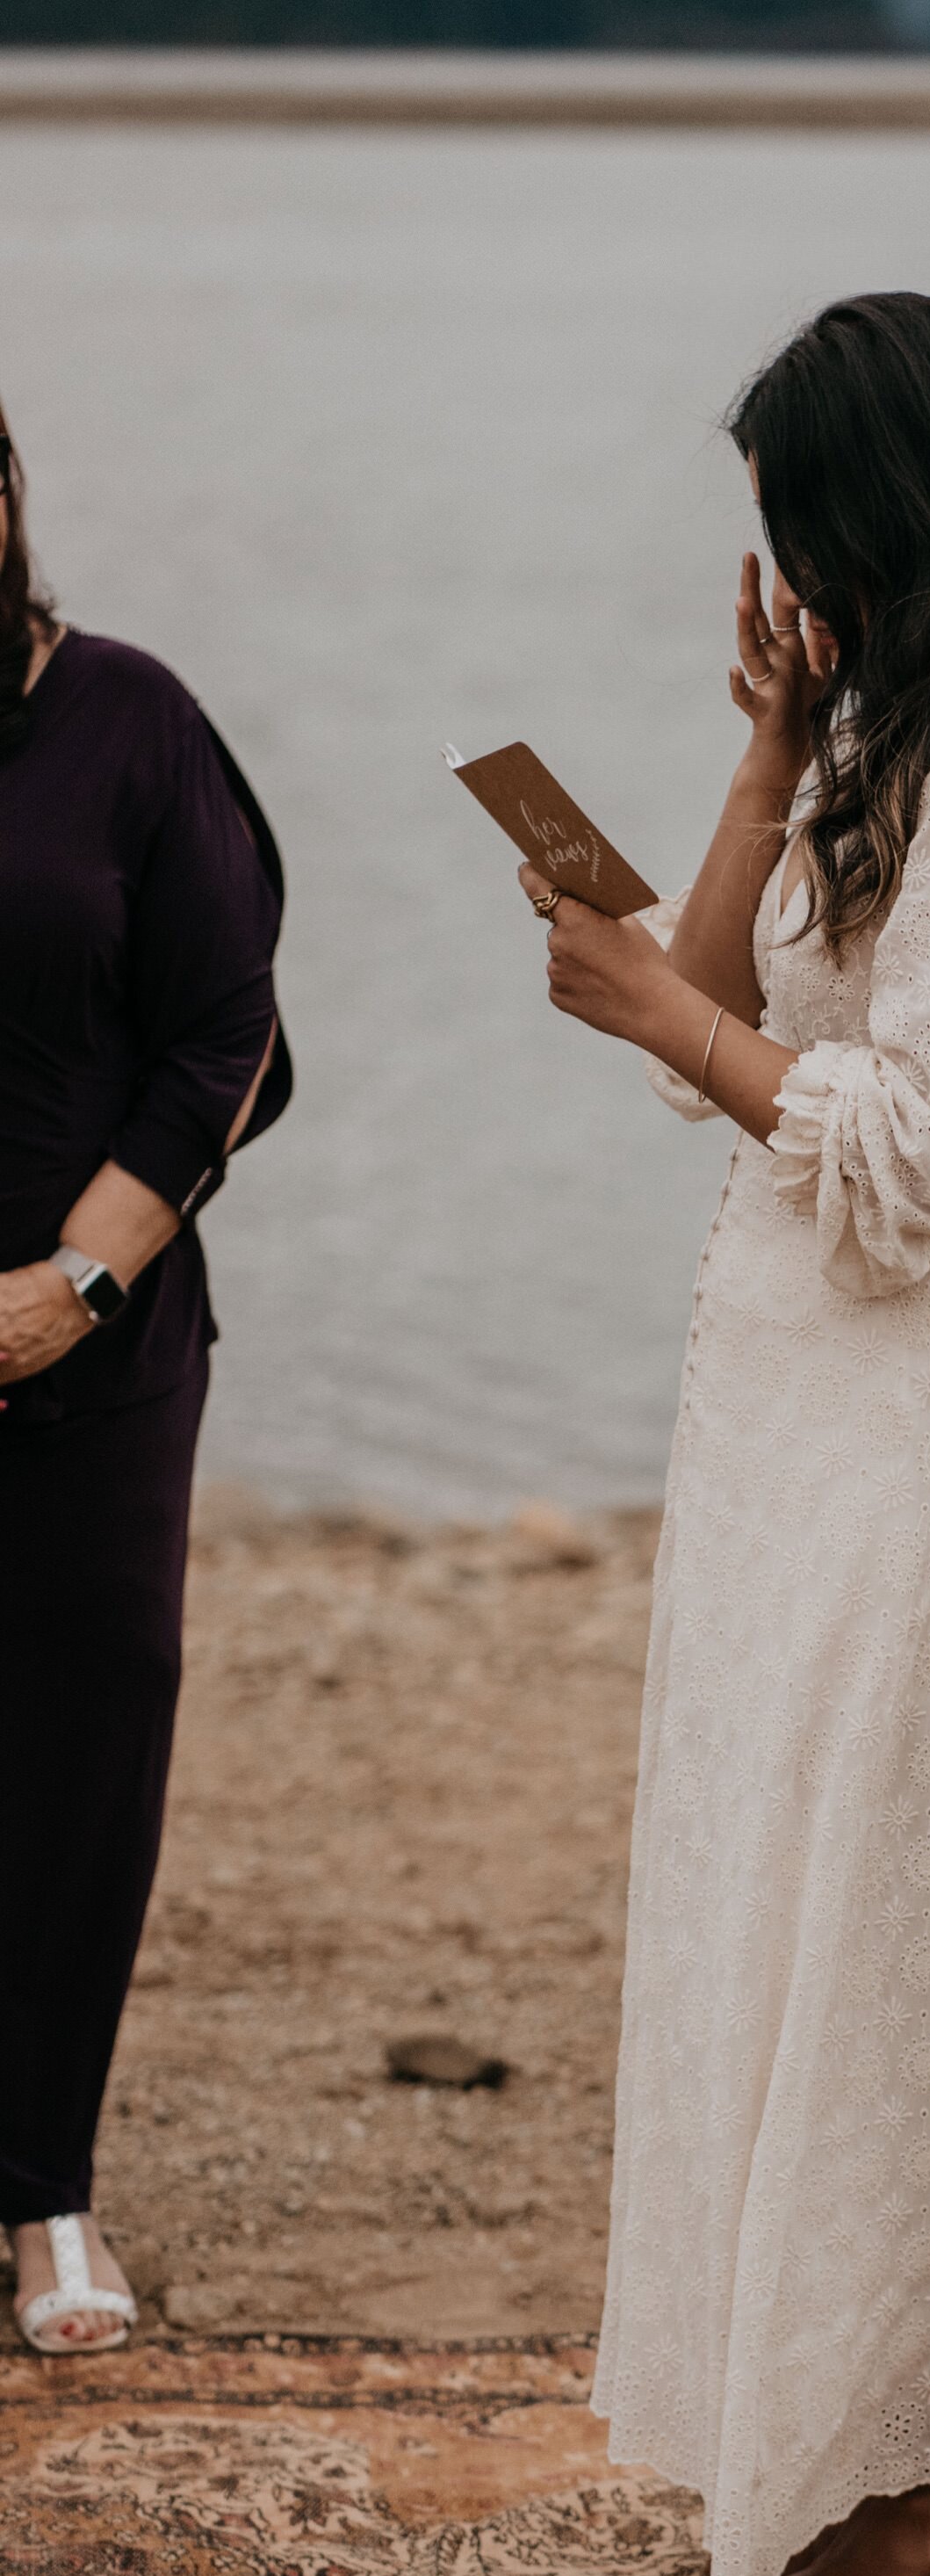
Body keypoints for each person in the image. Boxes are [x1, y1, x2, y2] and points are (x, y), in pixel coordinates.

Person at [525, 293, 930, 2576]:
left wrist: (670, 1021)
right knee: (779, 1909)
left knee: (900, 1943)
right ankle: (883, 2457)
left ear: (903, 508)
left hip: (925, 1417)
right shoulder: (918, 735)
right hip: (795, 1406)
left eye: (815, 544)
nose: (802, 578)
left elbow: (899, 1164)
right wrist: (769, 752)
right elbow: (727, 1005)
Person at [0, 399, 291, 2352]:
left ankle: (44, 2205)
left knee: (72, 1769)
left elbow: (230, 1040)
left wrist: (64, 1290)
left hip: (86, 1359)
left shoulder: (131, 723)